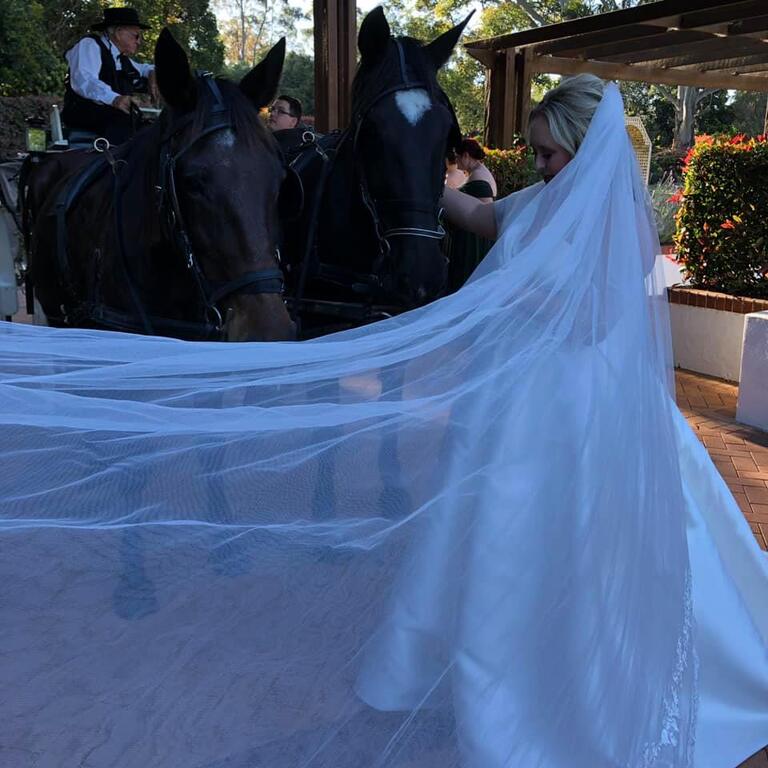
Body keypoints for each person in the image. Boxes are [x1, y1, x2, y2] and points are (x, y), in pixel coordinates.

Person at [1, 74, 766, 768]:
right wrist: (444, 176)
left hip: (580, 411)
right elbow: (477, 214)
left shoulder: (620, 225)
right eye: (534, 155)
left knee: (574, 543)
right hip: (523, 404)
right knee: (497, 541)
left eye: (550, 154)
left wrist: (499, 301)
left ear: (585, 148)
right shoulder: (538, 201)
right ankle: (477, 662)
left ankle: (574, 677)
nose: (543, 167)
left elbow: (594, 316)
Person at [61, 7, 157, 145]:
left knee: (151, 128)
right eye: (136, 35)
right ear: (118, 32)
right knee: (125, 125)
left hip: (112, 116)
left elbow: (144, 68)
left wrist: (153, 74)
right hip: (83, 112)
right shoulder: (90, 45)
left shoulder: (122, 59)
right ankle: (118, 164)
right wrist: (114, 98)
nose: (139, 41)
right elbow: (84, 79)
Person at [444, 137, 498, 292]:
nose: (457, 162)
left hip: (473, 241)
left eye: (458, 157)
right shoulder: (479, 172)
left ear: (466, 156)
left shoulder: (478, 176)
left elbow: (484, 209)